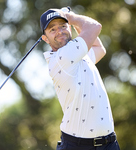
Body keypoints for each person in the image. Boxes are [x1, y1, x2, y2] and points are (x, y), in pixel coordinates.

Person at [40, 7, 121, 150]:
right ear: (45, 39)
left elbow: (99, 48)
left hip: (109, 144)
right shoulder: (62, 58)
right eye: (52, 29)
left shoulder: (78, 55)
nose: (59, 31)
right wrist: (70, 17)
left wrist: (72, 23)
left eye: (63, 26)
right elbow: (94, 27)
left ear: (69, 29)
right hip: (78, 146)